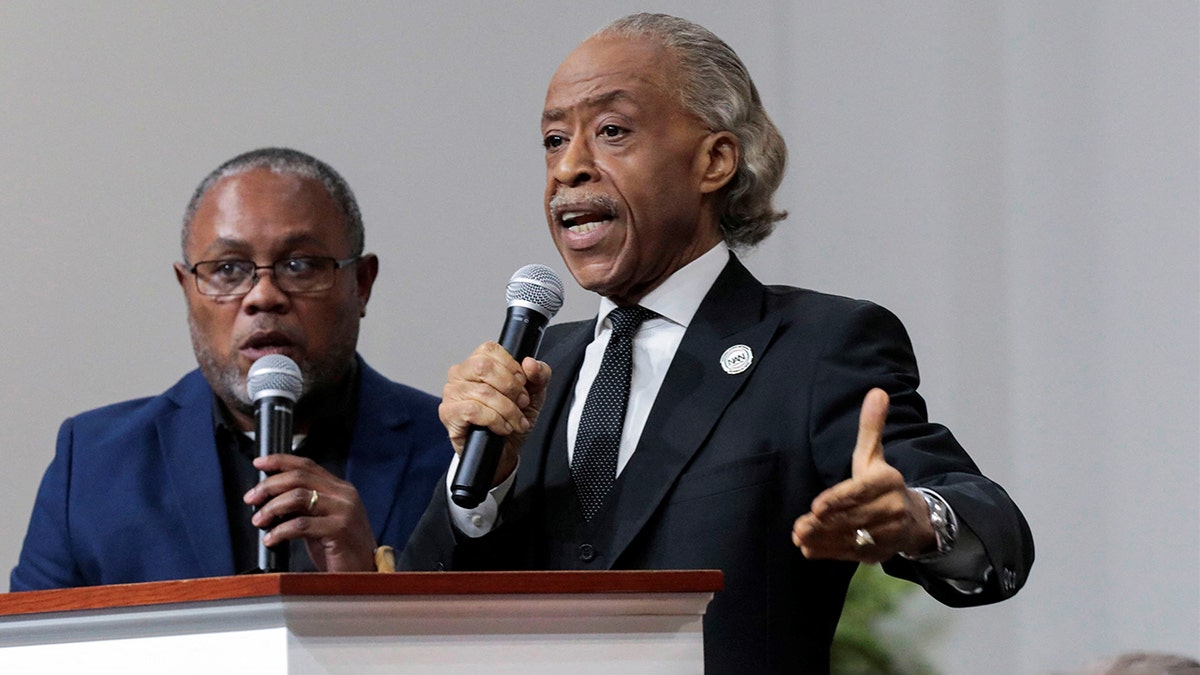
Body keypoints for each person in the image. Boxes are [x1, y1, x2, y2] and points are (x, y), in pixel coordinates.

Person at [400, 13, 1034, 673]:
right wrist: (482, 485)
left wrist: (917, 517)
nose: (569, 168)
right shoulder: (537, 372)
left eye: (611, 131)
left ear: (714, 160)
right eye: (553, 139)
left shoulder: (815, 348)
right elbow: (413, 610)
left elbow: (994, 527)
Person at [11, 147, 451, 590]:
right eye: (227, 269)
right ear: (188, 290)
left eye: (299, 265)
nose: (263, 296)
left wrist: (368, 584)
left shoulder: (457, 456)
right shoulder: (94, 463)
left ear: (361, 285)